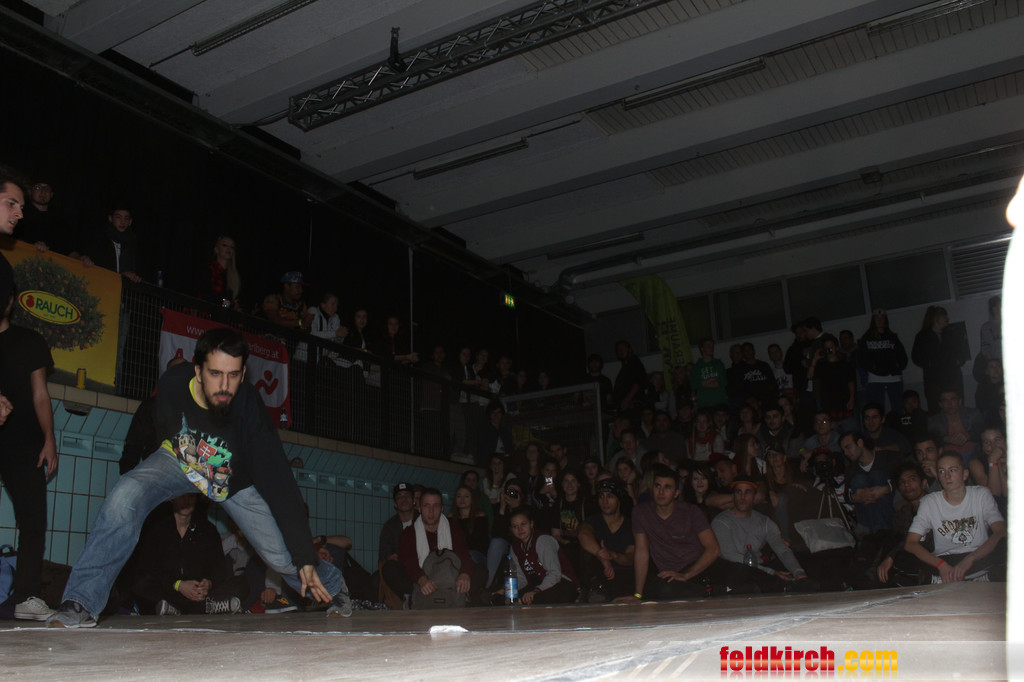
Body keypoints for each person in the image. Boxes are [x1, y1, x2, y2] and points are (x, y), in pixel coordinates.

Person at [47, 328, 352, 628]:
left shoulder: (250, 410)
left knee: (282, 558)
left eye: (233, 375)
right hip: (179, 459)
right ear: (198, 371)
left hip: (232, 481)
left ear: (243, 375)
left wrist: (305, 555)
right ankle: (81, 602)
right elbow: (163, 425)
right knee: (124, 497)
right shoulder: (172, 385)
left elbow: (280, 484)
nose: (224, 386)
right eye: (215, 374)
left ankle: (334, 587)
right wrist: (179, 467)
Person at [0, 231, 59, 620]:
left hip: (23, 441)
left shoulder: (30, 341)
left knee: (34, 519)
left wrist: (49, 438)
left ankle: (26, 597)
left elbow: (40, 395)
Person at [132, 493, 247, 615]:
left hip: (198, 593)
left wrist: (208, 583)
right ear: (173, 499)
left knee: (242, 583)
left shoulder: (208, 530)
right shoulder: (156, 529)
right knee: (140, 584)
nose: (186, 501)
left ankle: (184, 609)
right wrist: (178, 585)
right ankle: (205, 608)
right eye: (182, 496)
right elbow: (147, 570)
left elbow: (219, 570)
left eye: (191, 496)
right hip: (169, 591)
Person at [904, 452, 1006, 583]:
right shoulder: (929, 501)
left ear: (965, 474)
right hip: (945, 560)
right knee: (903, 558)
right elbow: (910, 543)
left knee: (1008, 545)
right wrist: (941, 565)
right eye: (941, 471)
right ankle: (938, 579)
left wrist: (970, 559)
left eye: (952, 470)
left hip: (978, 556)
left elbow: (1001, 531)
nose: (947, 476)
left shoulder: (980, 494)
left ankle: (982, 577)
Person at [623, 465, 720, 601]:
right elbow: (641, 552)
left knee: (743, 574)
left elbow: (713, 549)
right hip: (671, 576)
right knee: (664, 589)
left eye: (667, 487)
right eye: (657, 486)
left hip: (699, 566)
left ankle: (715, 591)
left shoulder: (690, 511)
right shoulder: (641, 512)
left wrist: (687, 575)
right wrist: (638, 594)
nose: (661, 492)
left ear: (676, 493)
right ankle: (713, 592)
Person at [711, 477, 813, 593]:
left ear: (754, 496)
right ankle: (782, 586)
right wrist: (769, 572)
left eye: (747, 492)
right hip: (735, 570)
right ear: (733, 495)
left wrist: (799, 572)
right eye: (739, 492)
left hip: (760, 568)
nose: (742, 497)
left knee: (801, 559)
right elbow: (729, 555)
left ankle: (797, 584)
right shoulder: (721, 521)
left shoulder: (764, 522)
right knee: (739, 571)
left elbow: (782, 549)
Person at [397, 488, 482, 608]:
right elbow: (409, 561)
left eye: (435, 506)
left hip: (450, 579)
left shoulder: (454, 531)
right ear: (419, 508)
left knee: (481, 570)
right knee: (391, 568)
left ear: (442, 509)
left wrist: (464, 574)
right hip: (422, 579)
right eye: (426, 506)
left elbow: (464, 556)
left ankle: (461, 595)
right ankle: (412, 597)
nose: (431, 511)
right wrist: (421, 579)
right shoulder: (409, 533)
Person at [578, 478, 635, 602]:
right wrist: (602, 557)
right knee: (586, 552)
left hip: (624, 577)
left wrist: (612, 555)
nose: (605, 501)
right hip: (600, 577)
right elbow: (583, 534)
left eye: (610, 496)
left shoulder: (630, 525)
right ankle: (594, 591)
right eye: (601, 496)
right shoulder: (593, 521)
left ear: (619, 499)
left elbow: (630, 558)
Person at [506, 508, 579, 605]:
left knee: (535, 600)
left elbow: (555, 574)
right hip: (538, 586)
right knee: (508, 599)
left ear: (531, 524)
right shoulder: (515, 548)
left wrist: (537, 590)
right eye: (515, 526)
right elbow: (521, 578)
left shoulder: (543, 540)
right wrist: (508, 591)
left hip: (561, 583)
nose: (520, 529)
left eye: (523, 524)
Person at [911, 305, 965, 413]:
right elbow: (916, 357)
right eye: (944, 316)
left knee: (956, 407)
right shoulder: (923, 336)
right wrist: (930, 364)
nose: (947, 319)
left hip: (953, 378)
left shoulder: (951, 334)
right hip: (934, 381)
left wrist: (958, 361)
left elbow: (962, 352)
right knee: (936, 409)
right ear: (936, 319)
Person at [857, 309, 908, 414]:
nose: (880, 320)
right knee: (877, 410)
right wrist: (873, 367)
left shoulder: (893, 337)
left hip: (894, 377)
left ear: (885, 320)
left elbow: (902, 355)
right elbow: (862, 357)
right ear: (873, 320)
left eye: (882, 318)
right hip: (875, 379)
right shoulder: (866, 338)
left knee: (898, 409)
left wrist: (898, 366)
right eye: (877, 318)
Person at [79, 203, 144, 283]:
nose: (122, 222)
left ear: (130, 222)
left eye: (126, 218)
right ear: (110, 218)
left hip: (125, 289)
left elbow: (140, 273)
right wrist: (84, 259)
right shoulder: (99, 240)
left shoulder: (134, 244)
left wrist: (134, 277)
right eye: (118, 217)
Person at [378, 482, 417, 596]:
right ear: (395, 504)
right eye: (400, 497)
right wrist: (389, 556)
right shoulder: (390, 526)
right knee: (386, 571)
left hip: (421, 565)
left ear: (413, 501)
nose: (404, 499)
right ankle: (408, 597)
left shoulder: (422, 520)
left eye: (407, 496)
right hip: (401, 567)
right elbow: (384, 552)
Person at [196, 235, 242, 309]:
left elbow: (225, 304)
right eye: (225, 245)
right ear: (216, 249)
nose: (229, 249)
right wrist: (230, 304)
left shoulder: (233, 276)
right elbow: (207, 297)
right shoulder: (208, 269)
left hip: (220, 313)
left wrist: (229, 304)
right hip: (204, 311)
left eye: (232, 247)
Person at [611, 340, 647, 413]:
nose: (620, 351)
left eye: (623, 348)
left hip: (631, 405)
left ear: (630, 350)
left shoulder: (634, 362)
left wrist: (627, 399)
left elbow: (637, 382)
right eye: (618, 350)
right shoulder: (626, 365)